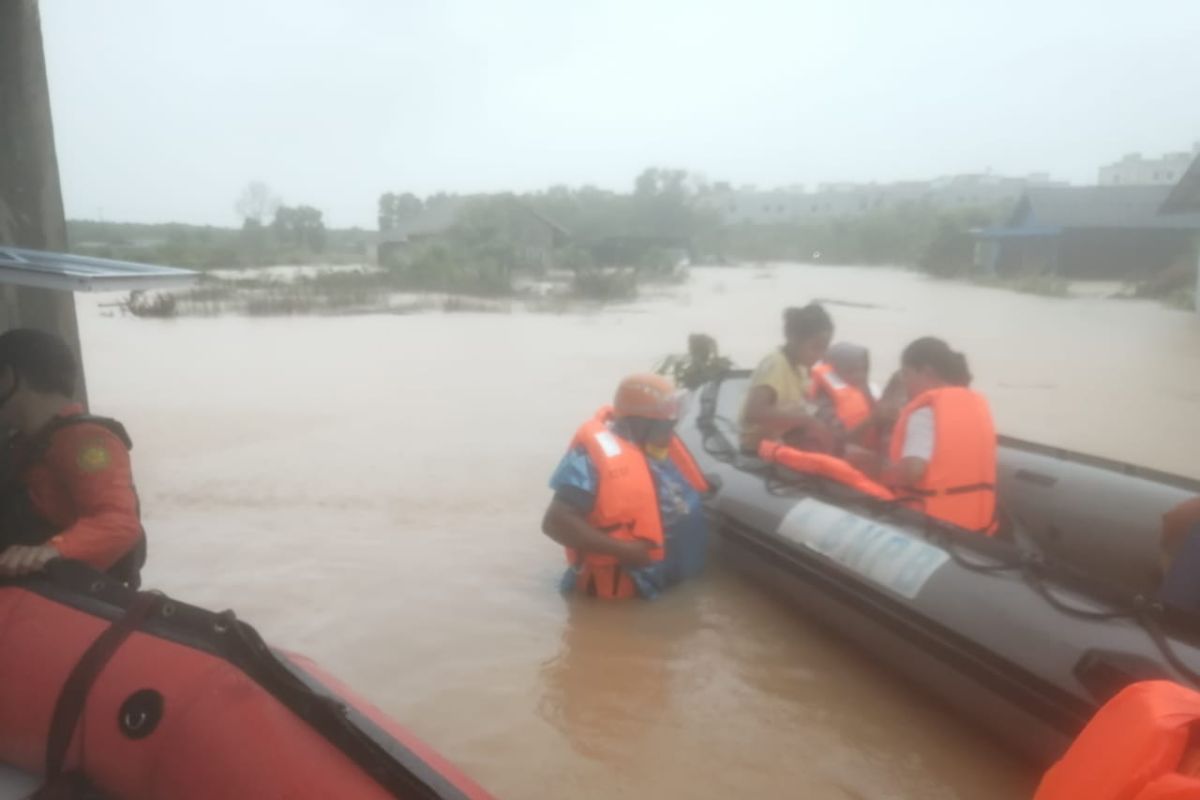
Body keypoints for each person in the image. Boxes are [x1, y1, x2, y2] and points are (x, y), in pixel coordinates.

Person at [542, 373, 709, 600]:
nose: (670, 429)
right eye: (664, 423)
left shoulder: (657, 450)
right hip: (617, 595)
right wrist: (625, 550)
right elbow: (555, 522)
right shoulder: (589, 459)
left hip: (668, 585)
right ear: (638, 421)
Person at [0, 329, 145, 584]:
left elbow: (118, 523)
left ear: (9, 377)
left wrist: (50, 551)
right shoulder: (22, 445)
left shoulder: (85, 440)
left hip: (67, 596)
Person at [877, 337, 997, 533]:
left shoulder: (924, 412)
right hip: (975, 528)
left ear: (927, 372)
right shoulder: (975, 407)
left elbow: (913, 471)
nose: (904, 382)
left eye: (906, 374)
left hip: (931, 527)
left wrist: (882, 473)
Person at [739, 304, 834, 454]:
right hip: (757, 450)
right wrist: (806, 420)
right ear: (793, 338)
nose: (820, 356)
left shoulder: (801, 369)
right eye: (815, 347)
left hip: (780, 442)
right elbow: (754, 413)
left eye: (824, 349)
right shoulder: (776, 364)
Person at [809, 342, 881, 451]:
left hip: (867, 449)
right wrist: (871, 420)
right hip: (840, 452)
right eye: (851, 371)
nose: (860, 375)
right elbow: (838, 441)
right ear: (832, 371)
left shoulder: (869, 390)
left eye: (864, 369)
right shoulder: (823, 397)